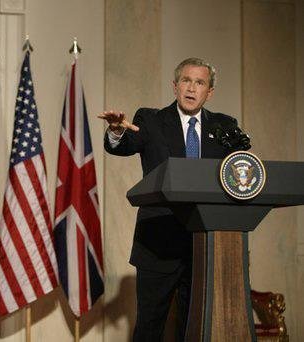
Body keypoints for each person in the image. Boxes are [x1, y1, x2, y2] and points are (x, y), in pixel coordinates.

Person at [98, 57, 240, 341]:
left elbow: (236, 171)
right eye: (186, 81)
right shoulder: (151, 120)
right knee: (150, 326)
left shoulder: (225, 126)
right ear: (174, 86)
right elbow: (124, 146)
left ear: (209, 92)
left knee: (195, 328)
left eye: (199, 82)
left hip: (205, 244)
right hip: (158, 242)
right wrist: (116, 131)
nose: (191, 88)